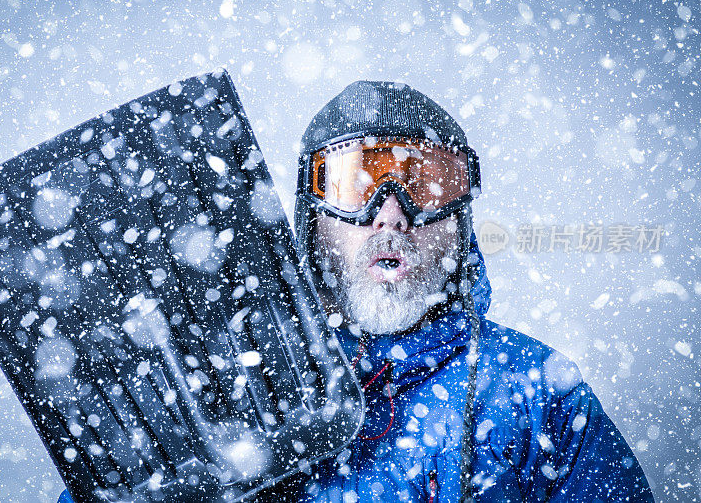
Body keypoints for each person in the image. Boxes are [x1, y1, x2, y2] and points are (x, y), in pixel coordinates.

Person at [255, 80, 654, 502]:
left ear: (458, 228)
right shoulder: (250, 391)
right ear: (314, 221)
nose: (390, 216)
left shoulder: (539, 393)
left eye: (425, 187)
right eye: (355, 188)